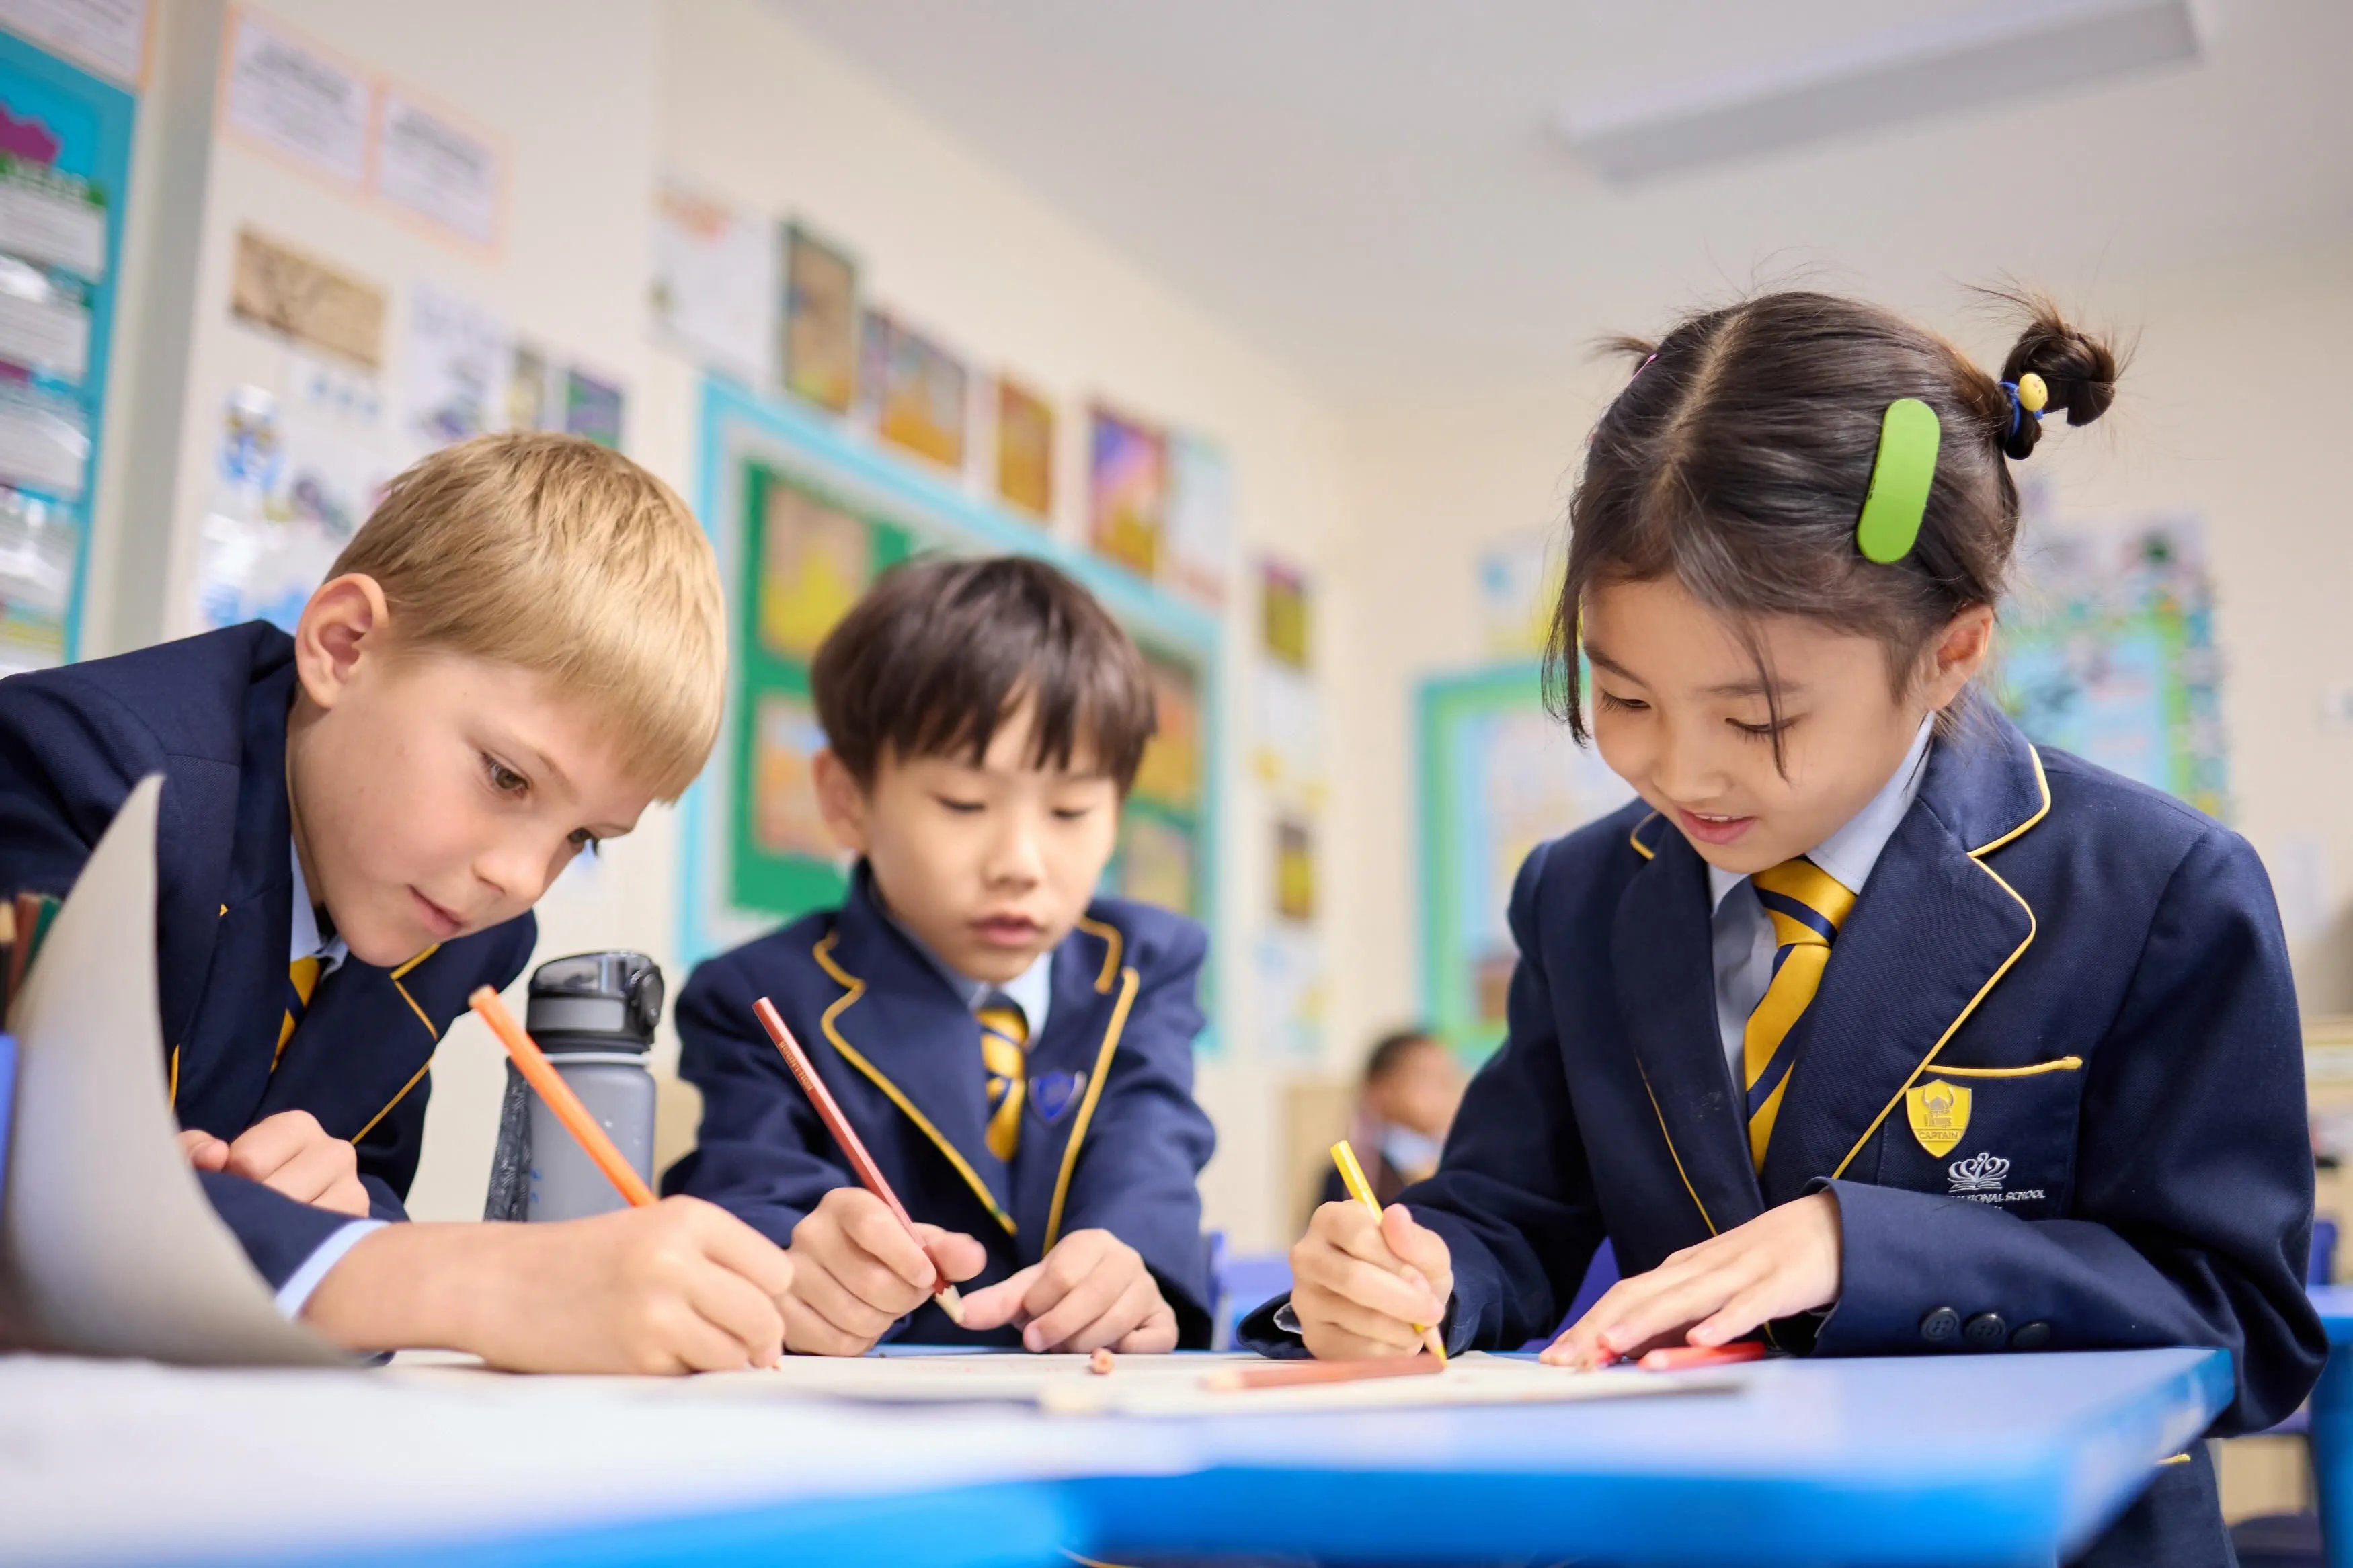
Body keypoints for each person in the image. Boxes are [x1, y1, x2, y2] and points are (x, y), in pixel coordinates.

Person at [1256, 291, 2325, 1565]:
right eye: (1625, 693)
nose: (1682, 771)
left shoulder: (2157, 888)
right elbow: (1510, 1211)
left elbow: (2243, 1325)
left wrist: (1853, 1241)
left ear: (1952, 652)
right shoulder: (1585, 894)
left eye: (1760, 722)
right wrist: (1412, 1271)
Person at [0, 432, 795, 1372]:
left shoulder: (454, 930)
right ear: (344, 647)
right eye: (506, 777)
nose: (524, 880)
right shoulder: (81, 770)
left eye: (581, 838)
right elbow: (31, 1168)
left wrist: (342, 1208)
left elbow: (369, 1176)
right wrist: (466, 1277)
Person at [665, 554, 1217, 1354]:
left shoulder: (1145, 965)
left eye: (1069, 809)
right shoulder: (756, 993)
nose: (1020, 861)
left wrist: (1133, 1278)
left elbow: (1150, 1152)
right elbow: (749, 1182)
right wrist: (797, 1254)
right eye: (963, 803)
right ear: (847, 798)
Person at [1316, 1027, 1464, 1214]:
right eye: (1426, 1079)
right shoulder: (1350, 1175)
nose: (1444, 1093)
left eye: (1447, 1080)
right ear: (1380, 1089)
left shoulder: (1456, 1163)